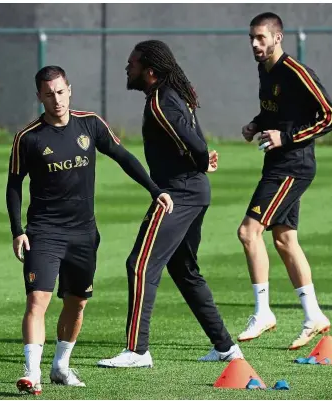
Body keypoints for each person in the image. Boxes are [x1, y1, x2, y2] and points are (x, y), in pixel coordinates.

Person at [6, 65, 173, 395]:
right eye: (48, 94)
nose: (56, 100)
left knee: (77, 302)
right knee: (37, 301)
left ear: (70, 89)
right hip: (45, 232)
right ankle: (31, 372)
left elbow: (122, 156)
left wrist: (155, 190)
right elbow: (14, 185)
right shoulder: (28, 138)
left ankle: (60, 367)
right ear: (39, 97)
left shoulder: (91, 124)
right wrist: (18, 230)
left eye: (60, 91)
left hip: (84, 234)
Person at [97, 40, 243, 369]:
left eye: (132, 63)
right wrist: (202, 159)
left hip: (179, 194)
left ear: (149, 71)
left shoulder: (161, 101)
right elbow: (195, 140)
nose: (127, 68)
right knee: (184, 270)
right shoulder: (172, 94)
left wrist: (202, 159)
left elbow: (192, 142)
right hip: (193, 190)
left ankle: (137, 351)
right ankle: (226, 348)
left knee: (140, 264)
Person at [236, 12, 332, 349]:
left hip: (293, 165)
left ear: (277, 38)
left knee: (248, 232)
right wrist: (256, 124)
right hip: (277, 163)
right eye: (252, 37)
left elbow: (331, 116)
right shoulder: (262, 69)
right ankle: (314, 316)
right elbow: (275, 111)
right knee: (284, 239)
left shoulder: (296, 72)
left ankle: (263, 312)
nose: (255, 44)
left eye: (261, 38)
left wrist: (287, 137)